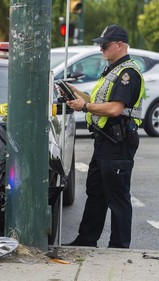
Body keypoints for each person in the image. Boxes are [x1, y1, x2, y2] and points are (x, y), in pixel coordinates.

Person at [64, 24, 145, 248]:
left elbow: (114, 109)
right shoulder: (113, 69)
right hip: (105, 141)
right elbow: (99, 100)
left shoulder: (128, 73)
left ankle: (119, 248)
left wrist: (85, 106)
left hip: (118, 141)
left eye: (105, 46)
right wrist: (75, 91)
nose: (101, 50)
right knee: (96, 192)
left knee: (117, 197)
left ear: (120, 45)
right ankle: (86, 240)